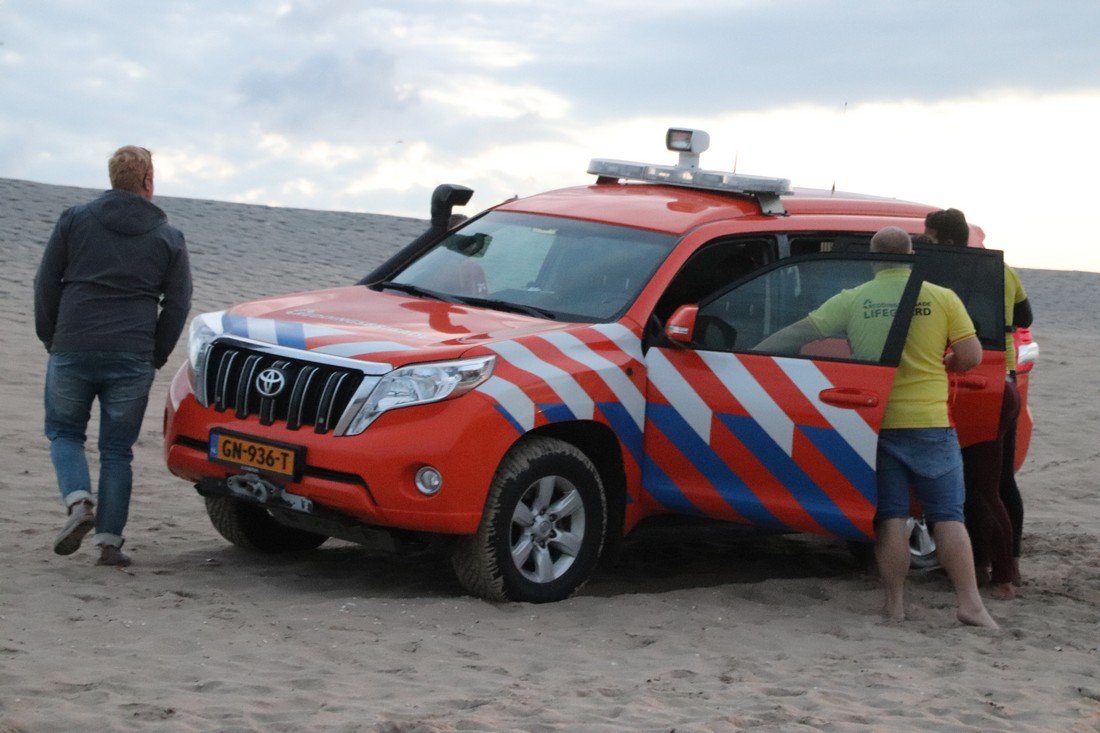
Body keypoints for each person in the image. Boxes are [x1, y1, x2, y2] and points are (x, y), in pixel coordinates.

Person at [756, 226, 997, 628]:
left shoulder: (854, 299)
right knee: (947, 516)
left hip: (876, 421)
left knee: (890, 517)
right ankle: (970, 604)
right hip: (930, 421)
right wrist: (948, 363)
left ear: (872, 259)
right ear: (911, 254)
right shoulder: (941, 296)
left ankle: (895, 605)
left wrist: (756, 353)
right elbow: (971, 355)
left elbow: (800, 332)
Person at [34, 145, 192, 567]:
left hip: (74, 343)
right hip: (132, 353)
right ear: (147, 182)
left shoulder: (75, 220)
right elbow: (177, 304)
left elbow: (46, 281)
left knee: (65, 433)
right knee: (117, 450)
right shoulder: (168, 237)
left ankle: (78, 500)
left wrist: (51, 336)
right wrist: (155, 353)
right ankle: (108, 542)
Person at [925, 208, 1032, 596]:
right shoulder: (1002, 270)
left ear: (947, 240)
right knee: (999, 480)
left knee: (979, 485)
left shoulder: (945, 271)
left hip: (975, 379)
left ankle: (994, 571)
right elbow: (1024, 315)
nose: (927, 244)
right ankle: (1004, 565)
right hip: (1003, 376)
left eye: (931, 238)